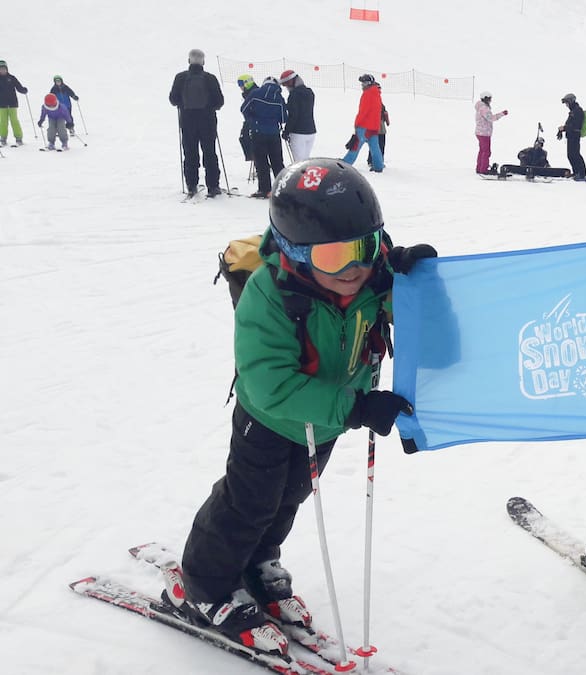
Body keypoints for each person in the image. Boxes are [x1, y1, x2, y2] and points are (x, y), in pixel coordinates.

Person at [169, 158, 437, 655]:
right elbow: (268, 383)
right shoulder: (268, 295)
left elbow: (436, 337)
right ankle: (204, 586)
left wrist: (419, 285)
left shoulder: (373, 279)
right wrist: (356, 409)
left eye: (365, 247)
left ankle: (257, 560)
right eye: (335, 257)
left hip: (328, 421)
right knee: (247, 503)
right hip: (268, 420)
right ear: (293, 251)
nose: (355, 267)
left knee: (290, 496)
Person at [169, 49, 225, 198]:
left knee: (190, 153)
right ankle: (213, 186)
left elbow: (173, 99)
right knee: (210, 153)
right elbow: (220, 101)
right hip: (207, 121)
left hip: (187, 121)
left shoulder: (180, 78)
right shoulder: (210, 78)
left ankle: (191, 185)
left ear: (189, 61)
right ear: (203, 62)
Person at [240, 75, 288, 198]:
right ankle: (281, 189)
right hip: (273, 133)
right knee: (277, 161)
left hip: (258, 132)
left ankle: (264, 189)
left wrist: (251, 120)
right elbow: (283, 118)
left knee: (261, 162)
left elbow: (244, 108)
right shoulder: (279, 97)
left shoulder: (255, 93)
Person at [343, 74, 384, 173]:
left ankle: (346, 163)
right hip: (374, 127)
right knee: (375, 148)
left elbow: (363, 111)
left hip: (364, 126)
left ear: (368, 83)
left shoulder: (367, 94)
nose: (362, 85)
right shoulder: (377, 93)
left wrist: (357, 123)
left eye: (364, 83)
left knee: (355, 146)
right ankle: (378, 166)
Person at [279, 69, 316, 162]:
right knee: (305, 162)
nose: (286, 87)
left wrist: (286, 131)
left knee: (298, 163)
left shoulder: (294, 95)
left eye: (286, 84)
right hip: (311, 131)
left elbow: (293, 116)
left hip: (298, 133)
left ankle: (301, 177)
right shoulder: (310, 92)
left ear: (292, 82)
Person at [474, 91, 508, 174]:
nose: (490, 101)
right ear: (486, 99)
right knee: (486, 152)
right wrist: (502, 114)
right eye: (489, 99)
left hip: (480, 132)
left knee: (482, 151)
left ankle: (480, 168)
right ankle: (483, 170)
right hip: (484, 133)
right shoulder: (484, 108)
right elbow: (491, 118)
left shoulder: (481, 107)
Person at [557, 93, 586, 181]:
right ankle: (576, 172)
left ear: (571, 101)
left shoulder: (578, 111)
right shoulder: (573, 111)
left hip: (575, 136)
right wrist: (562, 130)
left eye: (567, 103)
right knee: (571, 155)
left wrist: (565, 128)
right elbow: (570, 125)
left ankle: (582, 174)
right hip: (571, 136)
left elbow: (576, 126)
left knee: (575, 154)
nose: (566, 105)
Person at [0, 60, 29, 147]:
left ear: (7, 69)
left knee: (14, 120)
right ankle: (3, 138)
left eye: (4, 68)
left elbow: (18, 87)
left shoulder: (12, 78)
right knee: (3, 122)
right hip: (1, 104)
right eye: (1, 69)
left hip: (12, 103)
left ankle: (18, 138)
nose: (2, 70)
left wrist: (23, 90)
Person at [236, 74, 257, 166]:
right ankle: (255, 159)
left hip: (254, 121)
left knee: (247, 139)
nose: (240, 86)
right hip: (250, 120)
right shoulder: (248, 93)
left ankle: (257, 161)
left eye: (241, 84)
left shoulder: (253, 92)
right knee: (244, 138)